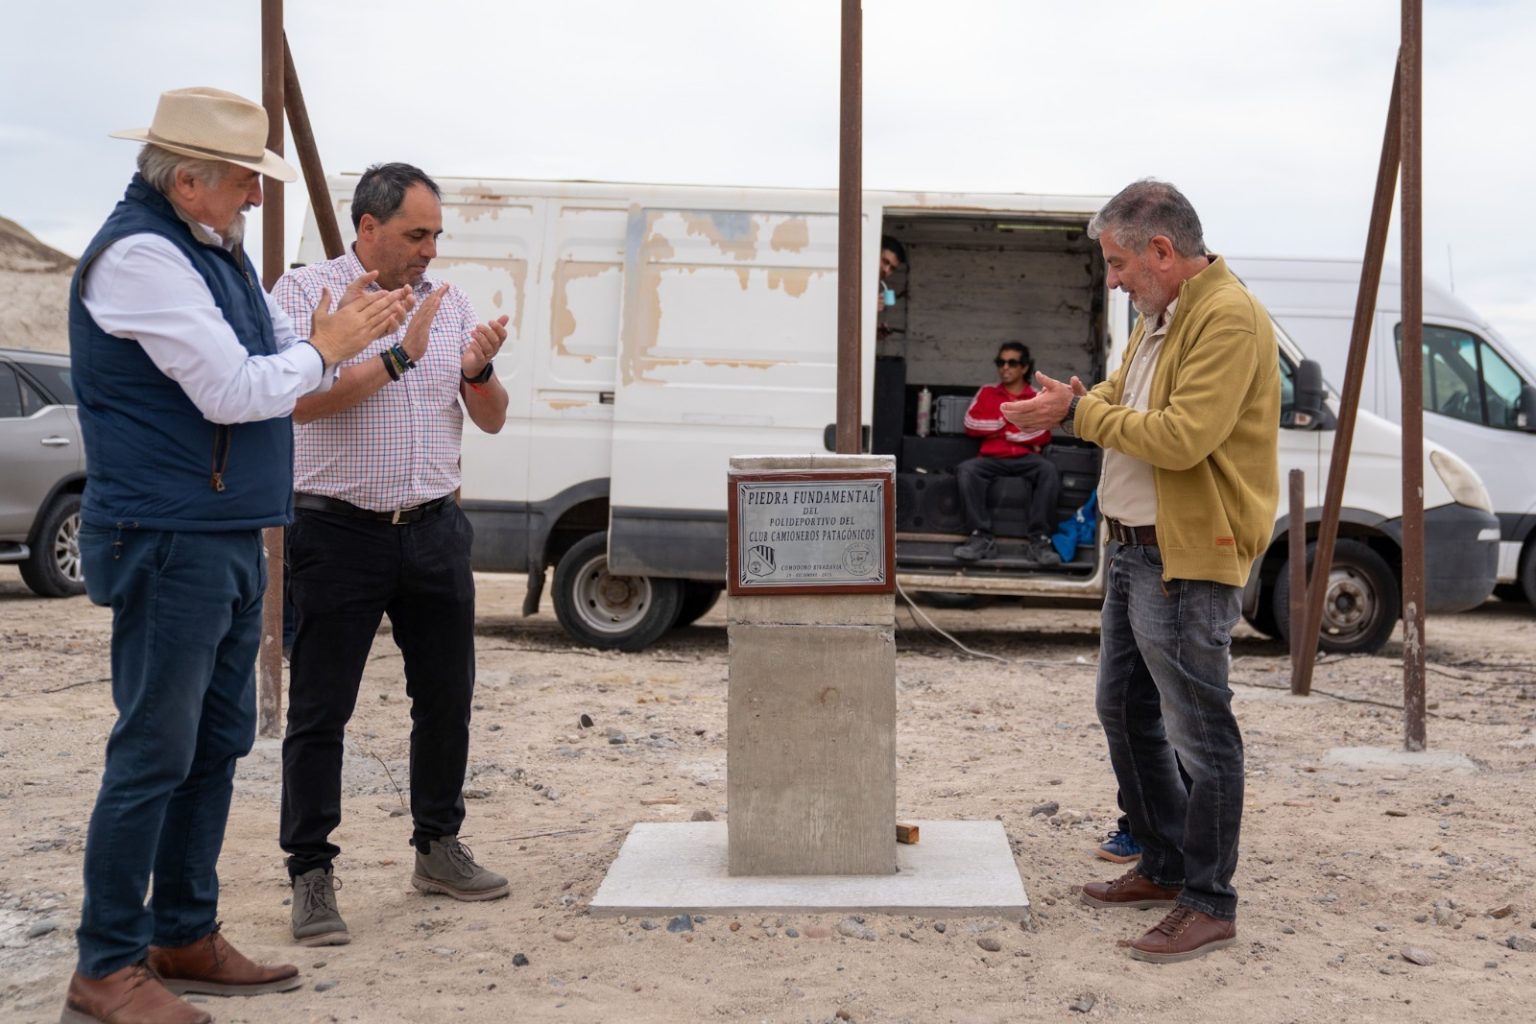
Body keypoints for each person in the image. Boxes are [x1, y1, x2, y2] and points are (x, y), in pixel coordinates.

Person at [64, 87, 408, 1024]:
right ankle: (106, 967)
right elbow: (233, 390)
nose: (258, 195)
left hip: (218, 530)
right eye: (246, 179)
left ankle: (181, 933)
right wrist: (328, 344)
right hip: (170, 536)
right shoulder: (141, 258)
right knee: (153, 751)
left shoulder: (208, 249)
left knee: (213, 743)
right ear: (189, 182)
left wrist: (329, 336)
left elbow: (272, 359)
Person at [1002, 179, 1279, 963]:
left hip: (1184, 554)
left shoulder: (1228, 317)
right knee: (1124, 709)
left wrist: (1077, 412)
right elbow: (1122, 399)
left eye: (1120, 263)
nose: (1115, 280)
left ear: (1162, 250)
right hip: (1135, 550)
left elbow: (1182, 437)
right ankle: (1164, 863)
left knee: (1200, 730)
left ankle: (1209, 901)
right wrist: (1076, 400)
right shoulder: (1162, 317)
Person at [274, 162, 512, 947]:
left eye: (436, 234)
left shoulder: (451, 303)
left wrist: (479, 372)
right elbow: (299, 404)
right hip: (338, 531)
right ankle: (311, 874)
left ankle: (437, 848)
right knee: (321, 710)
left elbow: (492, 419)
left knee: (445, 699)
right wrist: (398, 356)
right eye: (416, 234)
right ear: (368, 227)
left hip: (435, 528)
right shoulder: (306, 294)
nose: (429, 250)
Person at [952, 342, 1061, 566]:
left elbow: (1043, 432)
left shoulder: (1036, 396)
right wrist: (1005, 424)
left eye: (1012, 363)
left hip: (1025, 458)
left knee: (1048, 471)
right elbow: (970, 424)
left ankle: (1039, 540)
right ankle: (980, 537)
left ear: (1024, 367)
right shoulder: (987, 392)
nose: (1005, 367)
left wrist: (1006, 434)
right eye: (1000, 362)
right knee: (967, 470)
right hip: (991, 458)